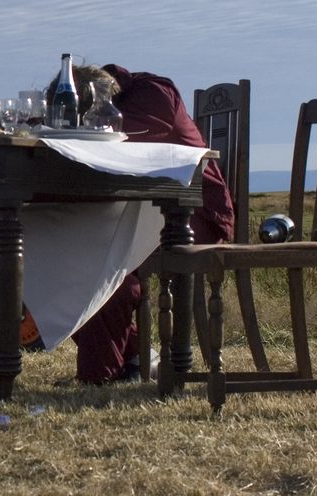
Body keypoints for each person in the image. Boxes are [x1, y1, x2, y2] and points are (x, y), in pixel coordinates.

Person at [50, 63, 234, 384]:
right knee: (60, 249)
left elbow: (115, 150)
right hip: (144, 213)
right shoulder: (122, 99)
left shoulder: (154, 95)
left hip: (194, 217)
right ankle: (134, 357)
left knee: (98, 261)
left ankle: (99, 375)